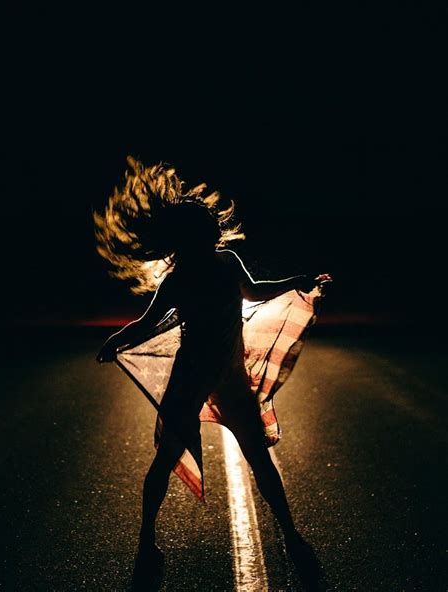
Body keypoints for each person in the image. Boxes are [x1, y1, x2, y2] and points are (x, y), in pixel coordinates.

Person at [94, 157, 332, 590]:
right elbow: (147, 325)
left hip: (228, 379)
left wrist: (295, 281)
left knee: (258, 457)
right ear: (189, 237)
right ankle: (147, 540)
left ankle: (291, 533)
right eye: (203, 227)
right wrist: (114, 341)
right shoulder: (182, 278)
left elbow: (255, 291)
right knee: (167, 459)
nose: (211, 231)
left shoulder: (226, 263)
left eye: (208, 226)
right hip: (193, 380)